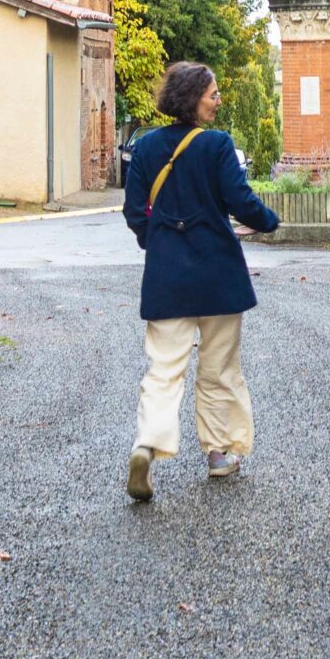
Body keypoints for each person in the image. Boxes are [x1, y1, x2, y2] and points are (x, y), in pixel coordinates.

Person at [119, 61, 282, 502]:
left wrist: (157, 243)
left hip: (167, 277)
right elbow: (240, 200)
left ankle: (146, 445)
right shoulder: (217, 145)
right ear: (194, 97)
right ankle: (218, 454)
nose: (219, 100)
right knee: (218, 370)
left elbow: (135, 212)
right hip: (218, 277)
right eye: (213, 94)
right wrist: (269, 221)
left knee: (163, 369)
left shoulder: (148, 148)